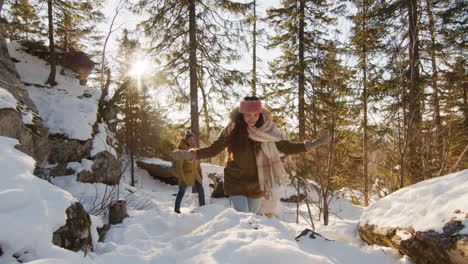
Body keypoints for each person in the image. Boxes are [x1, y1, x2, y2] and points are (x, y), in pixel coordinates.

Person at [172, 96, 330, 214]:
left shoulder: (267, 130)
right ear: (241, 114)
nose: (252, 118)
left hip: (256, 182)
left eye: (255, 114)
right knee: (244, 218)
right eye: (248, 115)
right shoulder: (231, 130)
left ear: (260, 113)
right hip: (236, 180)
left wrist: (311, 145)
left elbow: (286, 146)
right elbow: (213, 149)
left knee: (253, 218)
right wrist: (189, 154)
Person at [174, 130, 205, 214]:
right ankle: (176, 210)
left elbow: (198, 163)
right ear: (186, 140)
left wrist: (200, 173)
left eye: (193, 139)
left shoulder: (194, 150)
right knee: (181, 192)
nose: (192, 141)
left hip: (196, 175)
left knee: (201, 192)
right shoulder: (180, 151)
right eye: (190, 139)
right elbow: (179, 168)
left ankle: (203, 209)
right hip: (186, 176)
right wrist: (182, 180)